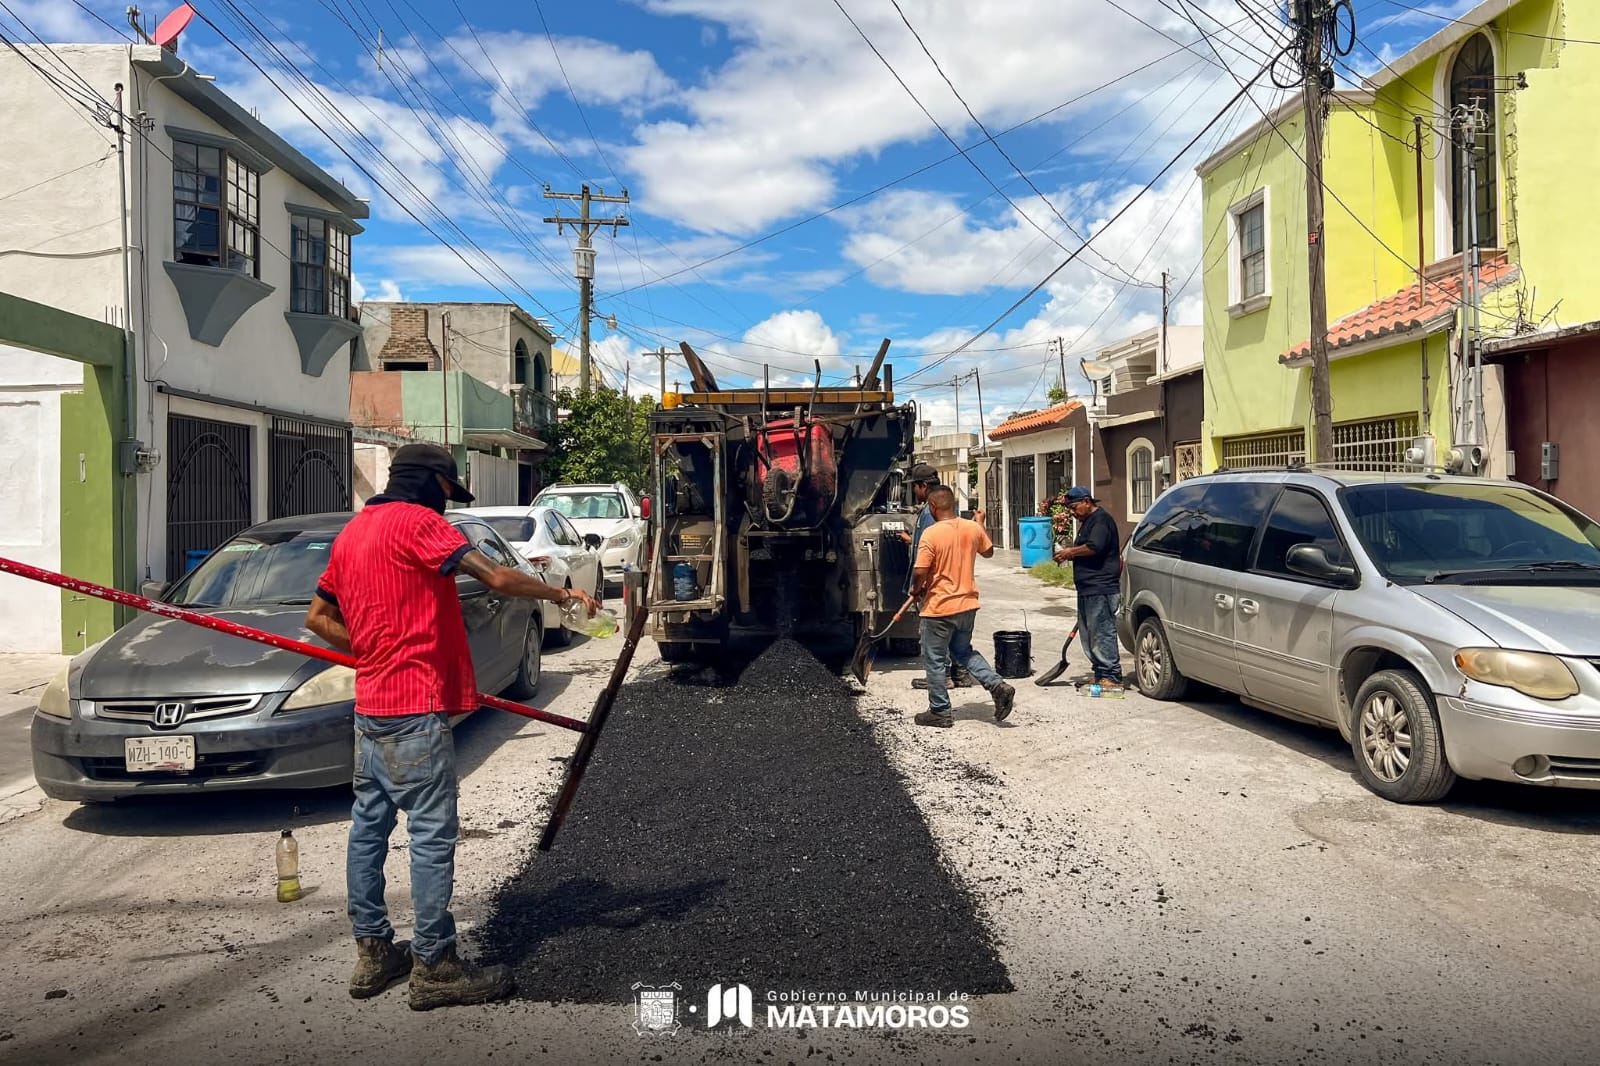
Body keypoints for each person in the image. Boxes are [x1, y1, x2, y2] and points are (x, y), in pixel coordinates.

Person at [305, 443, 600, 1011]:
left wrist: (370, 650)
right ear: (435, 484)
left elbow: (318, 619)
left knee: (369, 829)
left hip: (371, 710)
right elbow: (498, 579)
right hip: (415, 708)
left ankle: (372, 953)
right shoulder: (419, 525)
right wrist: (562, 592)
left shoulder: (353, 533)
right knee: (431, 838)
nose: (448, 504)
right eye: (449, 492)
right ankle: (435, 965)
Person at [910, 486, 1015, 728]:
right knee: (963, 651)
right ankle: (997, 685)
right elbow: (988, 552)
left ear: (933, 507)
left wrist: (916, 589)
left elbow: (920, 570)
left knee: (935, 659)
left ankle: (939, 711)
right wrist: (980, 523)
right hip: (967, 604)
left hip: (939, 607)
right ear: (953, 505)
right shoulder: (971, 528)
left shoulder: (931, 533)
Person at [900, 463, 971, 691]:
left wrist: (918, 586)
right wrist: (913, 542)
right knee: (952, 634)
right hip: (945, 583)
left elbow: (931, 557)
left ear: (923, 486)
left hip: (935, 584)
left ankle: (942, 678)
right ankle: (959, 673)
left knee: (935, 635)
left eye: (915, 487)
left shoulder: (932, 513)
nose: (914, 492)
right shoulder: (935, 510)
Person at [1052, 486, 1123, 691]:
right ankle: (1101, 674)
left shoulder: (1101, 520)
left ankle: (1112, 675)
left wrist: (1069, 552)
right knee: (1091, 633)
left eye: (1074, 507)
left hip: (1101, 587)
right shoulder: (1087, 522)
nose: (1072, 513)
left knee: (1102, 632)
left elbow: (1094, 547)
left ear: (1086, 501)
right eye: (1069, 509)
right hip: (1087, 588)